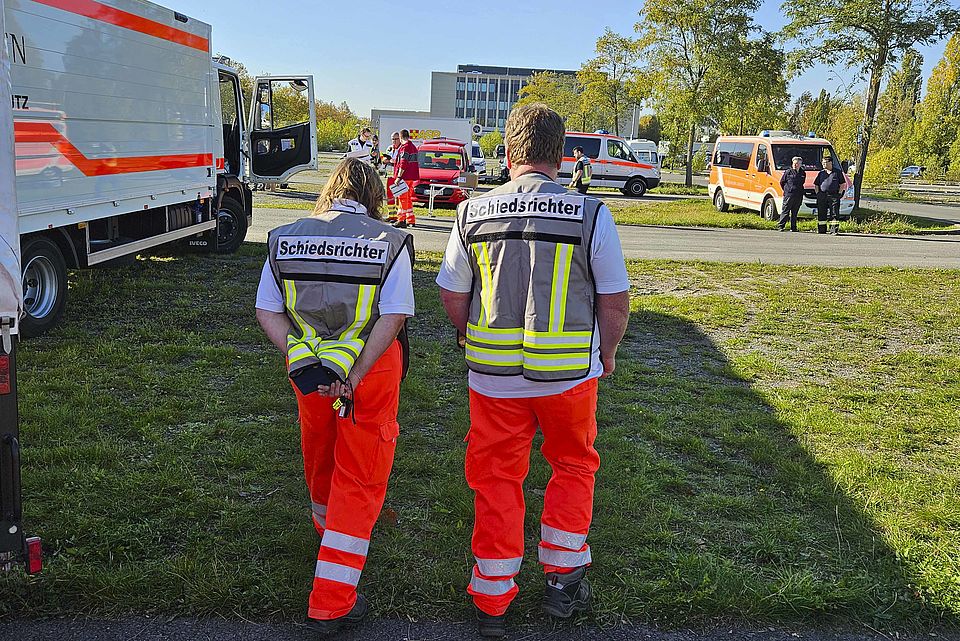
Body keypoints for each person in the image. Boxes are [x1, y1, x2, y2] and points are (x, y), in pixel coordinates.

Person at [436, 104, 630, 638]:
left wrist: (465, 330)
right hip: (569, 375)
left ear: (508, 151)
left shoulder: (471, 213)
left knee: (496, 478)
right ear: (563, 155)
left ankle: (492, 599)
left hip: (493, 376)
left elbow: (453, 293)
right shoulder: (591, 214)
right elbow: (614, 303)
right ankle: (564, 579)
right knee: (572, 466)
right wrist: (607, 353)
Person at [255, 158, 414, 634]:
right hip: (371, 369)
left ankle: (328, 535)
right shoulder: (389, 241)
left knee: (320, 454)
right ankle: (333, 597)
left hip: (308, 374)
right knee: (361, 475)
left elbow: (267, 309)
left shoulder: (286, 236)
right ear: (373, 195)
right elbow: (395, 314)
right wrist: (355, 372)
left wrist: (303, 355)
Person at [393, 129, 419, 228]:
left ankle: (401, 220)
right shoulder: (413, 147)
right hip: (411, 177)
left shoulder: (405, 147)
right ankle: (410, 219)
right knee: (408, 198)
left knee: (402, 198)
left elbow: (403, 163)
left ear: (400, 137)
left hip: (404, 177)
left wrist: (399, 177)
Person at [814, 156, 844, 234]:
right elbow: (816, 184)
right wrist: (818, 193)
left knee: (834, 213)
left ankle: (834, 230)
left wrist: (839, 194)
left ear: (830, 163)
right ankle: (821, 230)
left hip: (834, 195)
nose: (823, 164)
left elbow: (842, 184)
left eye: (825, 163)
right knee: (821, 213)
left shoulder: (837, 172)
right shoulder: (821, 173)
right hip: (822, 195)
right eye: (823, 163)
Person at [778, 156, 805, 232]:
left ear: (800, 164)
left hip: (798, 195)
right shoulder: (788, 172)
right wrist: (787, 190)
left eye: (797, 163)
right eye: (794, 163)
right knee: (785, 211)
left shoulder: (803, 173)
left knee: (795, 212)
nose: (795, 165)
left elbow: (802, 183)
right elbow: (782, 182)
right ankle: (781, 226)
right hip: (789, 195)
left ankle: (793, 227)